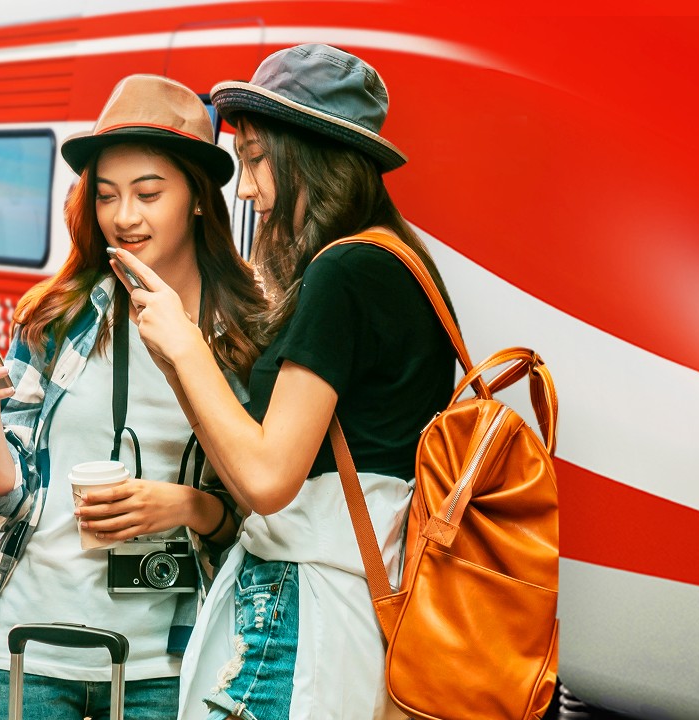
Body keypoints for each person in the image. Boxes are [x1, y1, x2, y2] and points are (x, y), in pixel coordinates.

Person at [111, 44, 458, 720]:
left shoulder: (346, 272)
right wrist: (179, 359)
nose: (245, 190)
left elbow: (268, 481)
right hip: (345, 602)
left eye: (256, 161)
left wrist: (186, 347)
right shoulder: (401, 262)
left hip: (306, 613)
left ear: (308, 155)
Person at [0, 74, 266, 720]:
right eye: (108, 196)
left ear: (199, 199)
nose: (124, 216)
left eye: (148, 193)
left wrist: (185, 505)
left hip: (166, 665)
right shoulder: (57, 316)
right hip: (26, 652)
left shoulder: (246, 333)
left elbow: (262, 512)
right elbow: (2, 501)